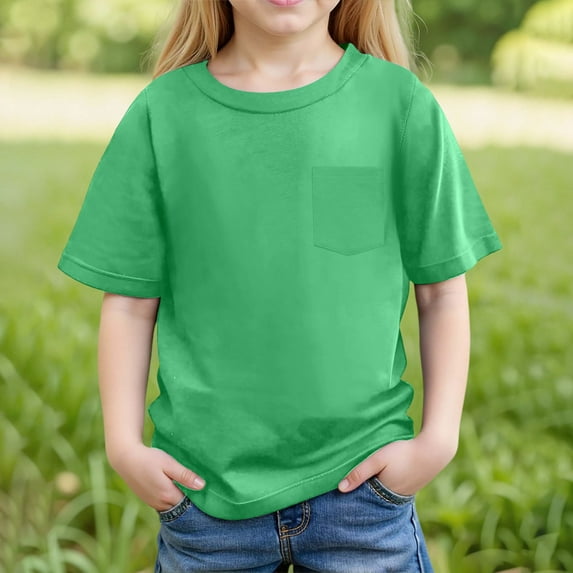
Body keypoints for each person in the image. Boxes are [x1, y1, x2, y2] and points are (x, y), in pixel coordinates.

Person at [57, 0, 502, 571]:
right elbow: (129, 303)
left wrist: (438, 441)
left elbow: (441, 291)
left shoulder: (399, 105)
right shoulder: (161, 115)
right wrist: (123, 446)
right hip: (207, 497)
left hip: (363, 494)